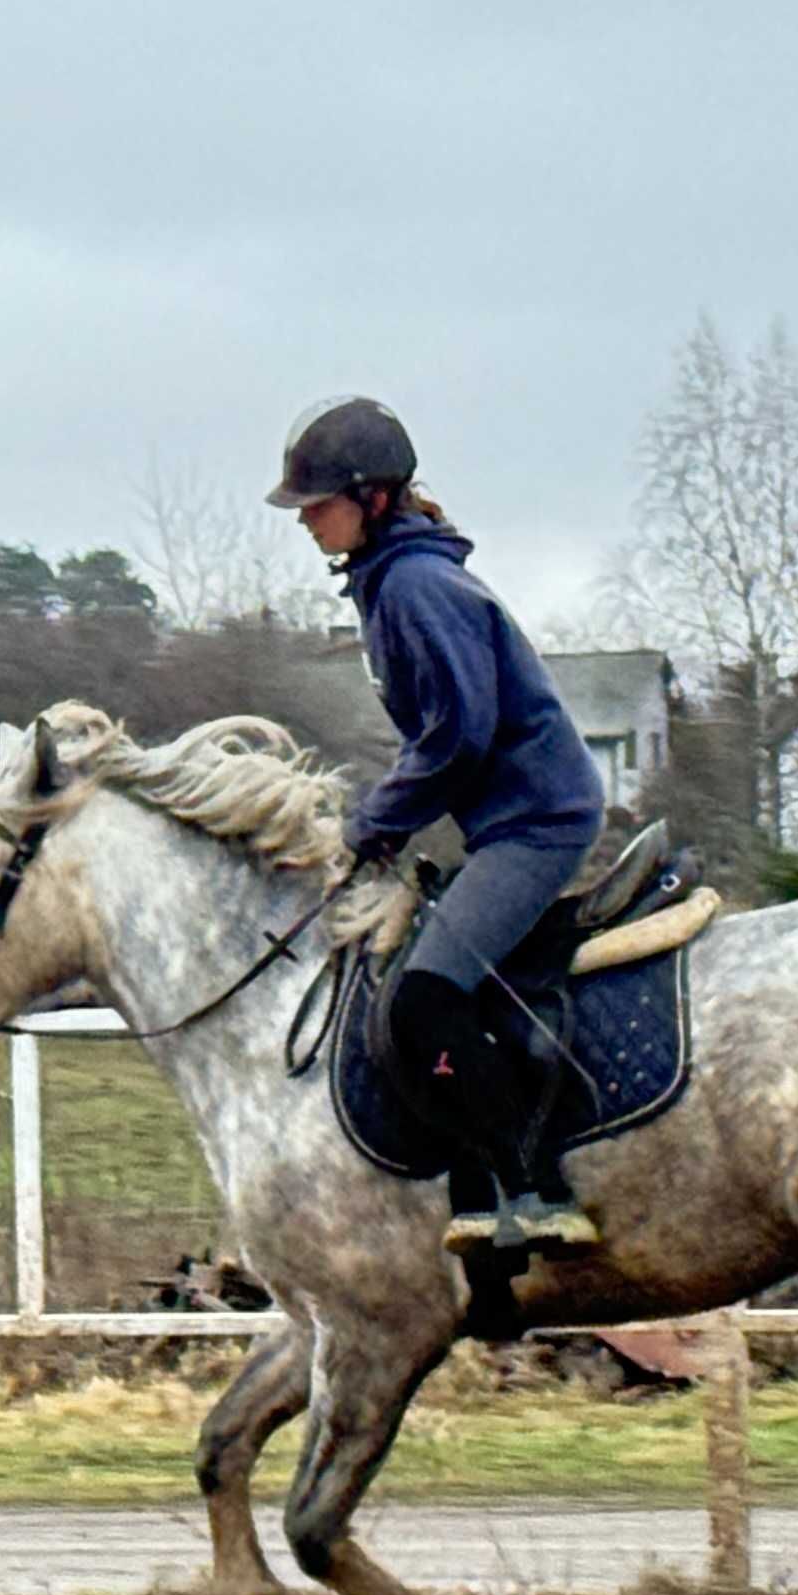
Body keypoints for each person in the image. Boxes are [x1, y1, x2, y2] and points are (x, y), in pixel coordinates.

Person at [267, 395, 606, 1252]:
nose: (305, 519)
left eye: (318, 502)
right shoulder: (393, 584)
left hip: (539, 823)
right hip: (506, 823)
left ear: (371, 499)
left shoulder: (417, 587)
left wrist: (373, 825)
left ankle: (532, 1189)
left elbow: (459, 734)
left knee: (423, 998)